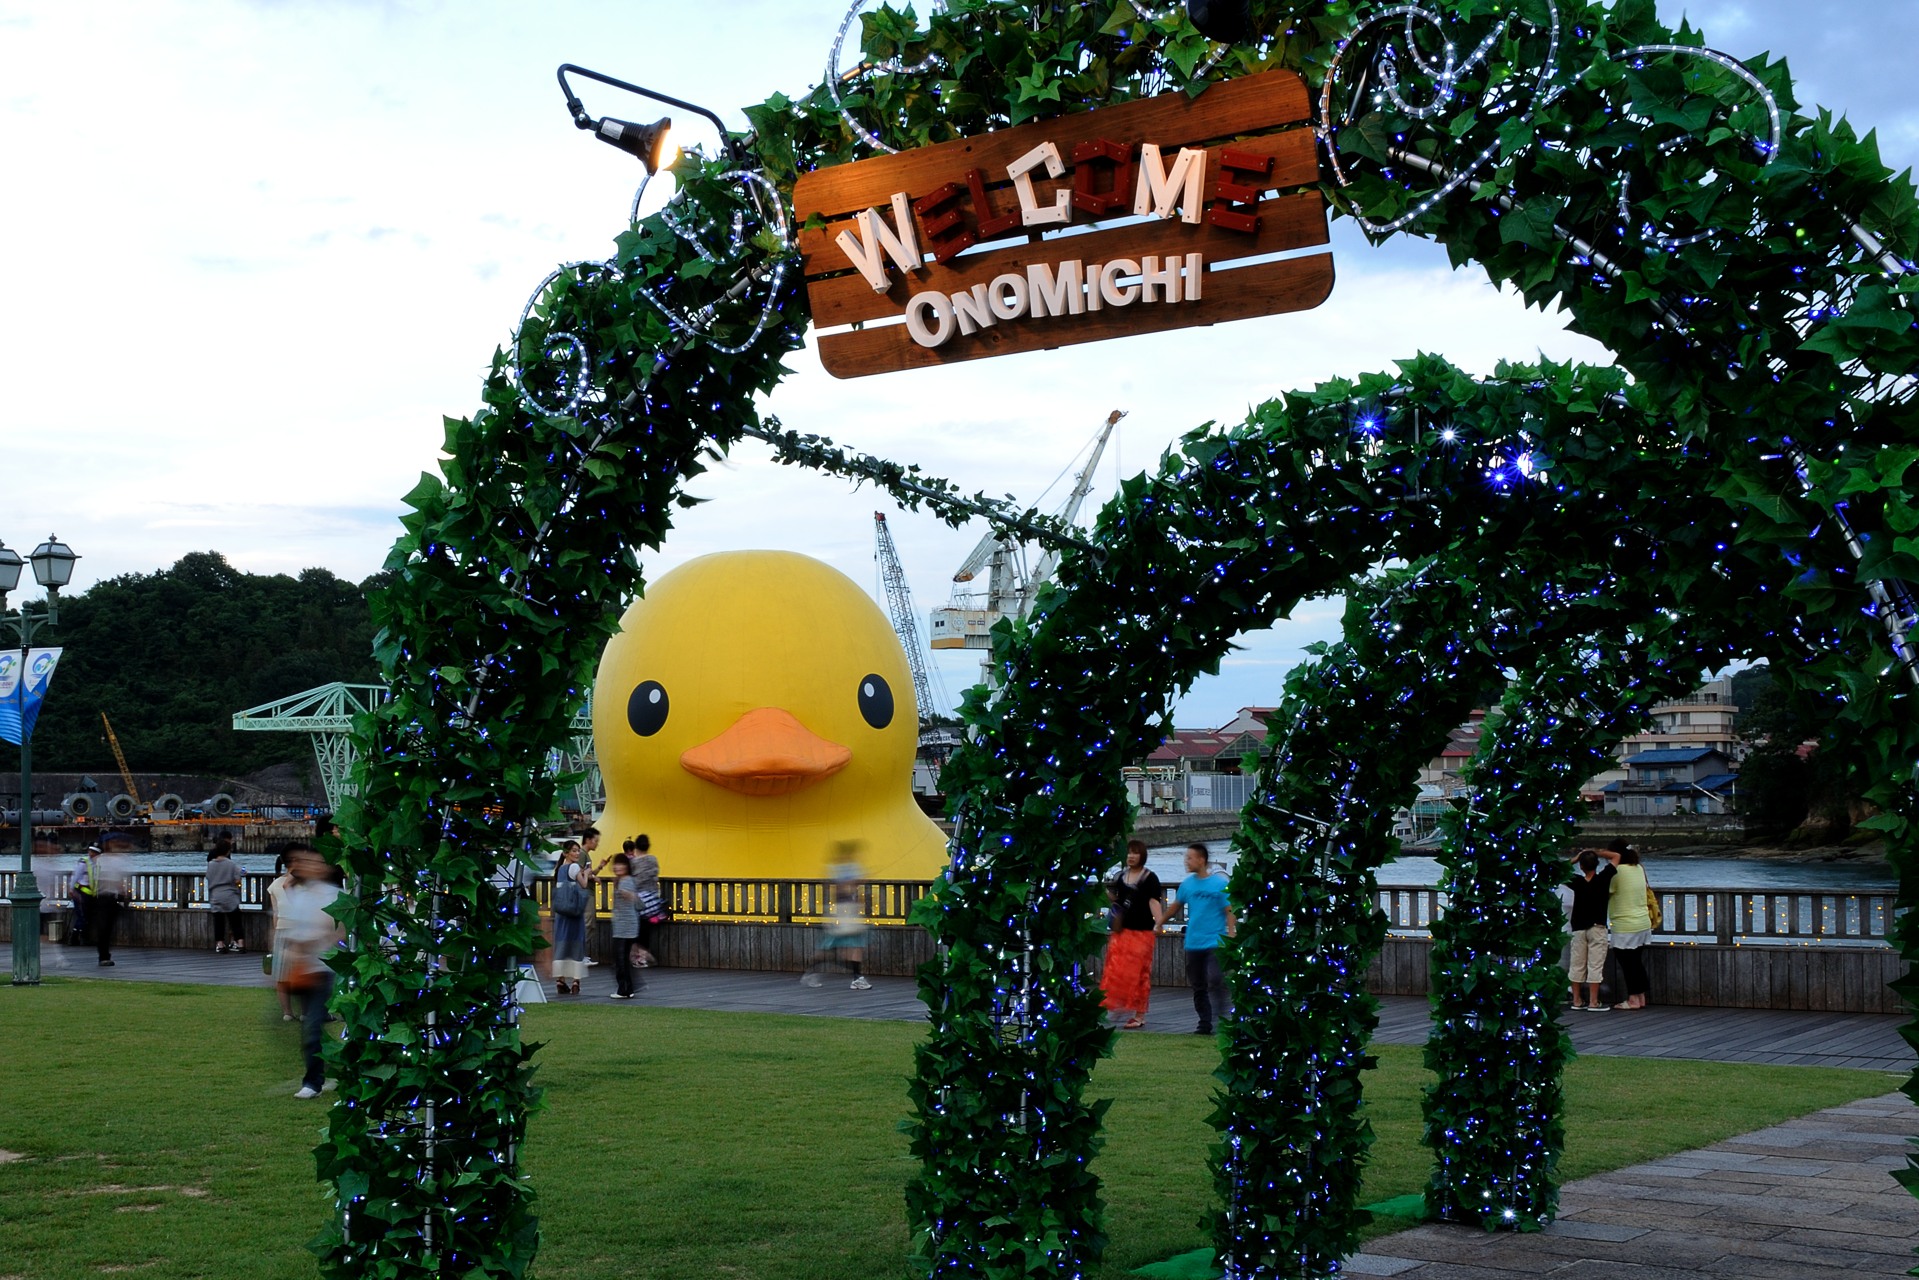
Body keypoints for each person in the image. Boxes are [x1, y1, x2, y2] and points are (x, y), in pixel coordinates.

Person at [280, 843, 345, 1098]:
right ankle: (321, 1075)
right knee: (311, 1026)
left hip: (325, 968)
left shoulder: (334, 895)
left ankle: (313, 1083)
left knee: (313, 1025)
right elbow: (293, 929)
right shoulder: (301, 894)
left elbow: (339, 930)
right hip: (304, 969)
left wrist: (317, 940)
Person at [1158, 842, 1235, 1035]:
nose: (1187, 861)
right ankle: (1204, 1022)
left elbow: (1229, 910)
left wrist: (1231, 932)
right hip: (1193, 942)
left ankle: (1221, 1014)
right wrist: (1159, 923)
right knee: (1198, 985)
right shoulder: (1187, 885)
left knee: (1215, 978)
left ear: (1201, 860)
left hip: (1214, 941)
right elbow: (1174, 907)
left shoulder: (1219, 884)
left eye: (1190, 858)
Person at [1100, 839, 1165, 1030]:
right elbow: (1119, 902)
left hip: (1142, 932)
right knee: (1115, 970)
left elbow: (1154, 901)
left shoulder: (1150, 878)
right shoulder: (1122, 877)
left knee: (1139, 974)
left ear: (1142, 856)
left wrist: (1159, 922)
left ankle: (1139, 1014)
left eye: (1135, 853)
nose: (1131, 856)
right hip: (1122, 932)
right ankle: (1117, 1006)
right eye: (1129, 852)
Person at [1599, 842, 1652, 1010]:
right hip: (1643, 922)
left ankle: (1633, 999)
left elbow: (1604, 889)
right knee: (1636, 962)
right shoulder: (1638, 868)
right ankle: (1641, 997)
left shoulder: (1617, 871)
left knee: (1628, 964)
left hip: (1625, 924)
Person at [1566, 848, 1615, 1012]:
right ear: (1597, 864)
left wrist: (1576, 858)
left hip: (1578, 928)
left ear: (1581, 866)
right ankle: (1593, 1002)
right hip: (1597, 927)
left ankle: (1577, 1000)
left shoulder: (1577, 881)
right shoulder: (1603, 879)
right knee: (1595, 965)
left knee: (1577, 964)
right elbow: (1616, 857)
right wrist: (1595, 852)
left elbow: (1557, 871)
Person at [802, 876, 871, 990]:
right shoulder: (842, 894)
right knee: (829, 952)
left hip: (850, 927)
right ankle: (810, 973)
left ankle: (857, 978)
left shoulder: (851, 894)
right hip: (842, 926)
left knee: (854, 949)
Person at [89, 834, 135, 967]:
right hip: (105, 897)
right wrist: (123, 890)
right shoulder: (106, 860)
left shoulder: (101, 860)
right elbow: (112, 879)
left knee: (106, 927)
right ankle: (104, 956)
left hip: (106, 897)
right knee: (105, 928)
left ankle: (104, 954)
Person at [550, 840, 589, 996]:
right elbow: (584, 884)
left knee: (561, 945)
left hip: (561, 913)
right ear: (566, 853)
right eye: (574, 850)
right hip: (574, 912)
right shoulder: (574, 867)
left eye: (578, 850)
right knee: (576, 945)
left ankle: (560, 980)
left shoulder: (559, 869)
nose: (577, 853)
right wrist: (587, 873)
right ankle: (575, 982)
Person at [608, 853, 645, 999]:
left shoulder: (626, 881)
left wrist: (627, 894)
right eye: (616, 864)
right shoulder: (623, 880)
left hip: (624, 926)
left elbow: (631, 897)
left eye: (621, 864)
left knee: (620, 959)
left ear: (627, 866)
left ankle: (624, 989)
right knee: (622, 959)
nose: (617, 867)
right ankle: (628, 988)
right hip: (626, 925)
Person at [267, 851, 298, 1020]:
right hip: (301, 930)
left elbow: (275, 913)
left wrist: (275, 934)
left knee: (282, 975)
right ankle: (305, 1012)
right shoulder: (305, 883)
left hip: (282, 929)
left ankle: (287, 1012)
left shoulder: (275, 885)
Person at [206, 838, 245, 953]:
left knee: (218, 921)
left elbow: (208, 877)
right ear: (228, 851)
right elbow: (237, 878)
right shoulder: (231, 864)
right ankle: (240, 944)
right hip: (229, 895)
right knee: (235, 921)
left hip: (216, 895)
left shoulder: (211, 865)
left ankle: (220, 944)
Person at [629, 834, 663, 968]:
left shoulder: (633, 863)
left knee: (637, 930)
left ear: (636, 847)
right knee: (646, 930)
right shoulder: (653, 860)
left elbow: (632, 880)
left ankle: (640, 956)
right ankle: (644, 956)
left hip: (639, 900)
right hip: (652, 901)